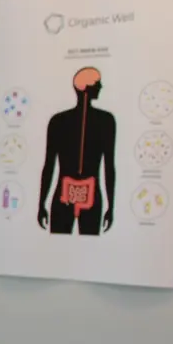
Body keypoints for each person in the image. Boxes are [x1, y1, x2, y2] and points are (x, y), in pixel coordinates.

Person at [38, 66, 117, 235]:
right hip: (64, 196)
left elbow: (109, 166)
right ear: (85, 87)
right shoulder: (58, 121)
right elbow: (49, 165)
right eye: (97, 83)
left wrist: (111, 206)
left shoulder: (106, 121)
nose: (101, 87)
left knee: (89, 249)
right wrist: (41, 203)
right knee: (58, 247)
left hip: (91, 194)